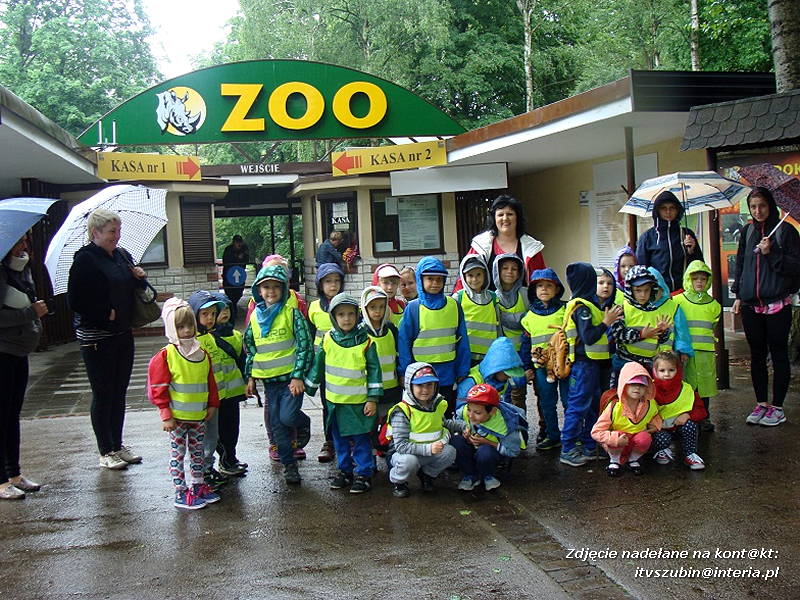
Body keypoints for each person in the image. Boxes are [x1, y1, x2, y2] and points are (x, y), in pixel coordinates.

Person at [67, 208, 146, 470]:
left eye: (118, 230)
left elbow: (134, 289)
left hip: (123, 332)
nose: (117, 236)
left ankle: (117, 443)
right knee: (103, 392)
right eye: (112, 231)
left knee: (119, 391)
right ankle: (106, 450)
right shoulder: (85, 259)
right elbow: (75, 301)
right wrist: (105, 313)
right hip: (96, 337)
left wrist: (139, 278)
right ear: (95, 232)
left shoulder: (122, 256)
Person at [732, 187, 800, 427]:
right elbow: (740, 265)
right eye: (753, 206)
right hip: (751, 306)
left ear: (770, 205)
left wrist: (772, 253)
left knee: (778, 356)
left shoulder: (786, 232)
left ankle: (778, 408)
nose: (758, 211)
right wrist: (738, 295)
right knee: (757, 357)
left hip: (777, 305)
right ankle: (761, 403)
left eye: (762, 205)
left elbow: (795, 268)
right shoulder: (747, 231)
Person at [305, 293, 382, 494]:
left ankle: (364, 473)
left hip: (358, 403)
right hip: (334, 403)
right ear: (333, 317)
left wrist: (372, 399)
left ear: (357, 316)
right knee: (339, 440)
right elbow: (319, 364)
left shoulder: (366, 342)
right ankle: (345, 471)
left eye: (350, 314)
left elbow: (374, 371)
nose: (346, 319)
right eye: (341, 314)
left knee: (361, 439)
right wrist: (309, 386)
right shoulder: (328, 339)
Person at [147, 298, 221, 509]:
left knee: (198, 454)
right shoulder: (166, 356)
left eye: (190, 325)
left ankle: (198, 486)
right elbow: (159, 388)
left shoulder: (202, 354)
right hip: (177, 419)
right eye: (180, 327)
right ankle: (181, 491)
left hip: (198, 417)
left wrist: (212, 405)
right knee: (178, 455)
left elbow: (210, 383)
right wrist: (166, 414)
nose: (187, 330)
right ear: (171, 328)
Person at [245, 265, 313, 484]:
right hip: (270, 384)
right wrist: (251, 377)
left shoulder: (291, 313)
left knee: (288, 417)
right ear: (258, 290)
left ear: (283, 289)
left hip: (291, 381)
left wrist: (298, 375)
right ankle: (289, 465)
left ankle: (303, 423)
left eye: (276, 287)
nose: (271, 291)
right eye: (266, 287)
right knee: (278, 427)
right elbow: (251, 348)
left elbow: (305, 345)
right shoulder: (255, 317)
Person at [559, 262, 622, 467]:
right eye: (596, 280)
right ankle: (567, 448)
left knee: (597, 405)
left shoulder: (592, 305)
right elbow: (588, 337)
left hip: (599, 364)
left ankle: (589, 443)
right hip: (585, 365)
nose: (603, 285)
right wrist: (607, 322)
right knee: (578, 406)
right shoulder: (581, 307)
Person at [0, 233, 47, 499]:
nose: (25, 246)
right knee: (2, 415)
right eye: (19, 242)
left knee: (12, 414)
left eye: (27, 241)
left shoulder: (20, 270)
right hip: (3, 352)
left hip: (19, 351)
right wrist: (30, 313)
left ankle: (14, 473)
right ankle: (1, 480)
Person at [397, 256, 471, 416]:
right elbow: (404, 343)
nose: (435, 283)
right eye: (430, 279)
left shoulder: (454, 306)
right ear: (420, 280)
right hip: (420, 376)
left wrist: (462, 370)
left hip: (447, 374)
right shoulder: (413, 308)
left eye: (439, 279)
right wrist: (404, 372)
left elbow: (462, 341)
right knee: (422, 416)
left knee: (446, 413)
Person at [386, 363, 462, 498]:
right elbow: (401, 446)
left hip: (429, 452)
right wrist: (429, 449)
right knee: (408, 462)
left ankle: (427, 475)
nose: (425, 390)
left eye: (429, 385)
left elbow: (444, 423)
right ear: (410, 386)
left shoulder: (436, 404)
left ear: (435, 386)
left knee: (450, 452)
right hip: (406, 455)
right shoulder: (402, 411)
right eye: (419, 385)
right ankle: (399, 482)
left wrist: (464, 426)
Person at [519, 269, 569, 450]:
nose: (544, 289)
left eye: (549, 285)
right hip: (540, 368)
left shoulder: (565, 310)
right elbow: (525, 345)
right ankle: (553, 435)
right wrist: (527, 367)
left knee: (568, 401)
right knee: (547, 402)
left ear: (557, 289)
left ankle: (571, 435)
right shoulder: (529, 317)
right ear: (534, 290)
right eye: (540, 286)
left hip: (564, 365)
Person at [455, 194, 545, 292]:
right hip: (487, 305)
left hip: (523, 305)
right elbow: (464, 278)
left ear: (517, 217)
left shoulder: (531, 248)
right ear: (494, 218)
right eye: (500, 214)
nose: (505, 218)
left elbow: (542, 281)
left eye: (510, 214)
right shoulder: (481, 245)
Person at [673, 261, 721, 432]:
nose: (699, 282)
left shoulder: (714, 305)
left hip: (706, 352)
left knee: (705, 387)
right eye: (695, 278)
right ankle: (685, 418)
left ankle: (704, 417)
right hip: (686, 353)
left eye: (703, 278)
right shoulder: (678, 300)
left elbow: (712, 325)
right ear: (689, 279)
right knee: (687, 385)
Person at [591, 361, 661, 477]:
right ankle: (614, 461)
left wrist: (654, 426)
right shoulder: (614, 407)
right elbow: (596, 432)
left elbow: (656, 416)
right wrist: (614, 439)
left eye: (642, 385)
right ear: (623, 385)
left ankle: (633, 460)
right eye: (632, 384)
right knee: (618, 435)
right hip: (617, 445)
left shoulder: (650, 404)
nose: (637, 388)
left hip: (636, 443)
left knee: (645, 438)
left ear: (647, 388)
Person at [452, 384, 527, 492]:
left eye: (477, 413)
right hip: (473, 447)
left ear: (492, 411)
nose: (471, 415)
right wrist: (464, 429)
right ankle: (470, 475)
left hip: (491, 453)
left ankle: (488, 475)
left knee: (485, 451)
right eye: (469, 409)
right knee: (455, 441)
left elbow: (513, 452)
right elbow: (457, 419)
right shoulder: (466, 411)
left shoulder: (506, 425)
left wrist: (489, 442)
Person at [307, 262, 345, 462]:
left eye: (337, 281)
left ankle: (348, 440)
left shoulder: (347, 306)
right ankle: (329, 441)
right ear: (320, 284)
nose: (333, 285)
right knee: (327, 405)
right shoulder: (313, 308)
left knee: (347, 404)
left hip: (346, 366)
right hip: (323, 367)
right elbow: (309, 334)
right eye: (328, 281)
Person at [209, 291, 249, 475]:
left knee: (232, 428)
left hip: (232, 392)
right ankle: (224, 460)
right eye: (219, 310)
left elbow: (243, 361)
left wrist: (248, 381)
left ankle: (230, 458)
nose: (224, 313)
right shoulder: (207, 339)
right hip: (217, 394)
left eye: (227, 309)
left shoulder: (235, 335)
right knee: (218, 431)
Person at [610, 266, 673, 384]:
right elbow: (618, 334)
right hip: (626, 361)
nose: (643, 295)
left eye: (646, 290)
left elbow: (660, 340)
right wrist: (641, 334)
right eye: (638, 290)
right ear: (630, 289)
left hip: (649, 363)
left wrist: (663, 332)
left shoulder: (656, 310)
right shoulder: (622, 308)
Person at [635, 190, 703, 293]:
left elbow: (699, 266)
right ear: (657, 211)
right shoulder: (647, 237)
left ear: (678, 210)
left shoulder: (687, 234)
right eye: (663, 208)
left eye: (672, 208)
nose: (668, 212)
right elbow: (641, 269)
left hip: (684, 293)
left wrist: (692, 251)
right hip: (658, 295)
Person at [649, 352, 708, 470]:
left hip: (680, 426)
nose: (667, 374)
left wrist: (688, 415)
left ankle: (690, 454)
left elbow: (701, 410)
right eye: (662, 370)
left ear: (678, 370)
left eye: (671, 370)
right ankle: (661, 450)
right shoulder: (649, 390)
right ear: (655, 371)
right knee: (661, 439)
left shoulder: (686, 389)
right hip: (660, 429)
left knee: (690, 425)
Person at [360, 286, 401, 421]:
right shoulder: (360, 332)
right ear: (365, 309)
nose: (378, 311)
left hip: (392, 388)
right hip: (369, 389)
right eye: (372, 307)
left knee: (389, 423)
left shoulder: (391, 330)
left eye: (381, 307)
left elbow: (399, 353)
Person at [452, 255, 500, 365]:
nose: (474, 279)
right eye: (470, 275)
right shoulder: (458, 297)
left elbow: (499, 327)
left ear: (485, 274)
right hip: (466, 355)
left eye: (478, 274)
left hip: (489, 355)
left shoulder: (493, 298)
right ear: (464, 276)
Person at [456, 336, 526, 400]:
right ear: (497, 370)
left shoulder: (500, 380)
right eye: (506, 374)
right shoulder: (471, 381)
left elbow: (515, 382)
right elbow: (459, 406)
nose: (509, 377)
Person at [221, 235, 250, 322]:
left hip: (240, 276)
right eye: (237, 242)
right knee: (229, 293)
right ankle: (232, 311)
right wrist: (237, 258)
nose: (239, 244)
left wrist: (242, 258)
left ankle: (233, 308)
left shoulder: (244, 249)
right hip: (228, 275)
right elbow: (226, 260)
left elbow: (246, 260)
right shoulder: (228, 249)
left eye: (240, 242)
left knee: (239, 293)